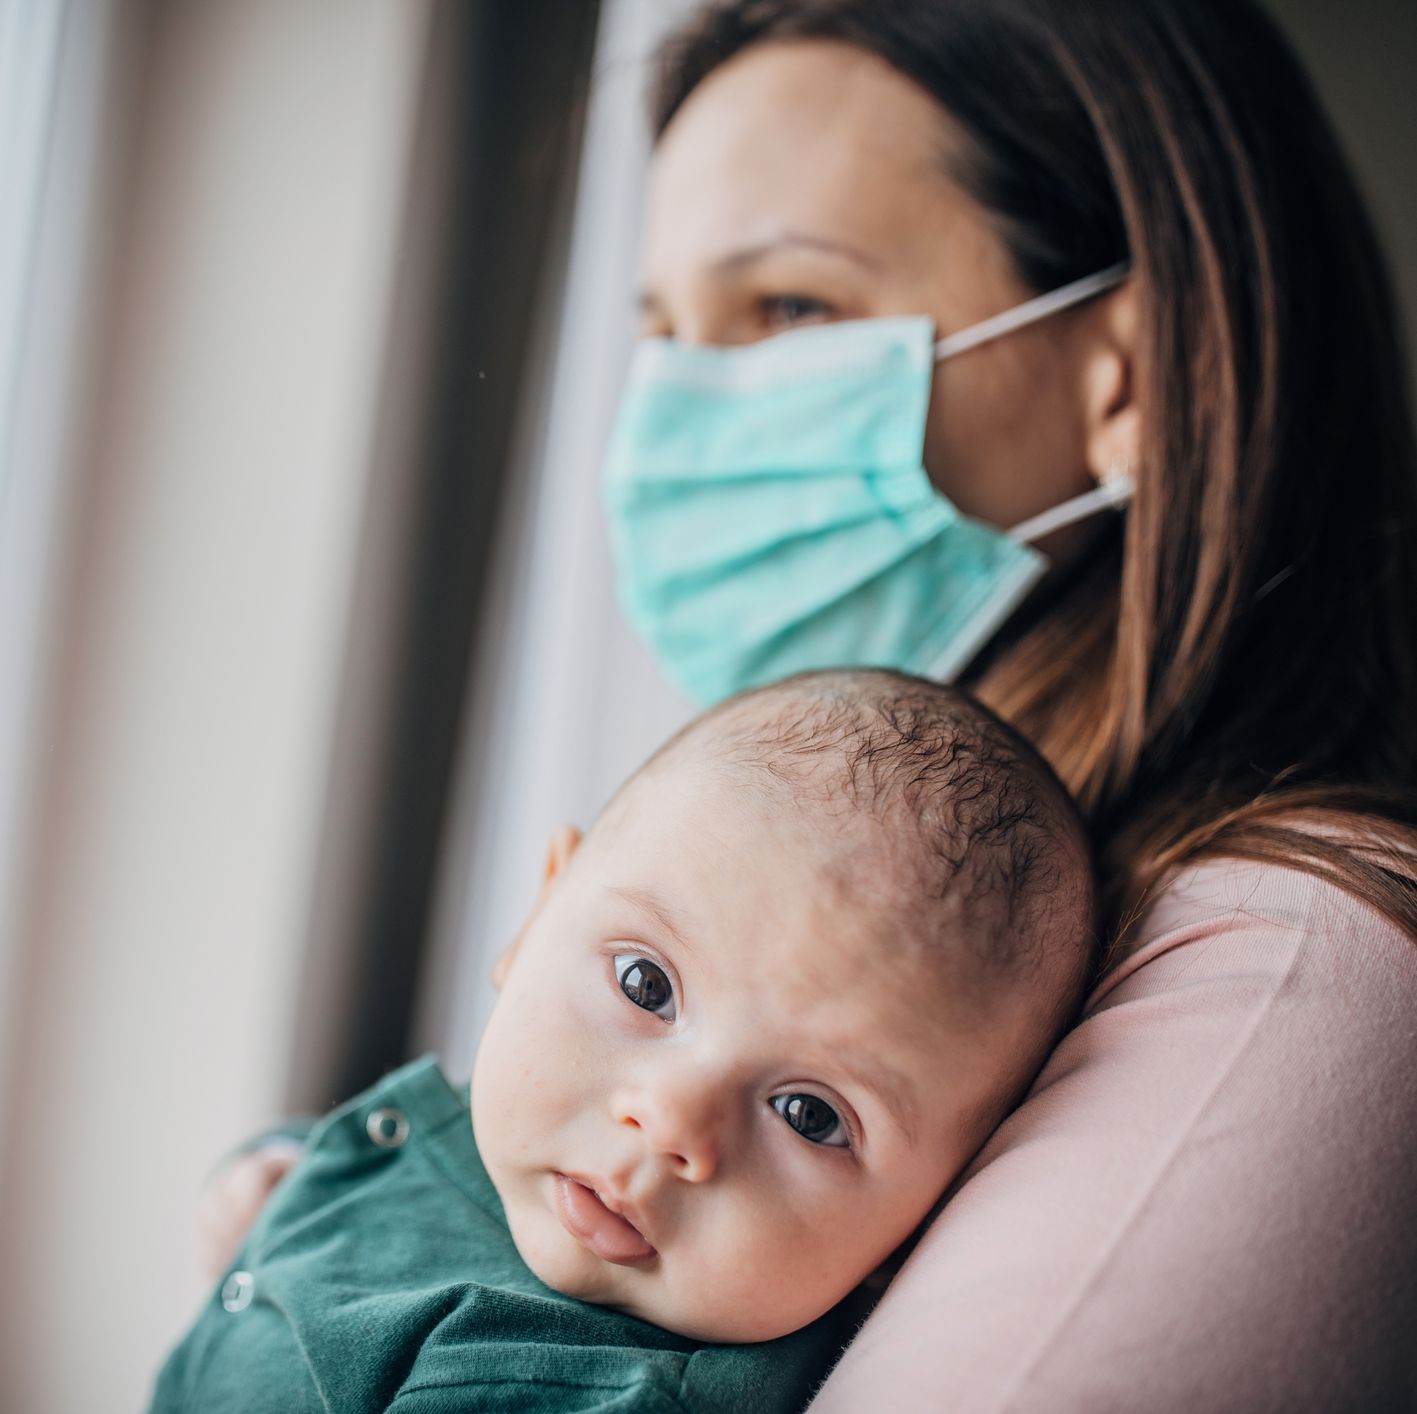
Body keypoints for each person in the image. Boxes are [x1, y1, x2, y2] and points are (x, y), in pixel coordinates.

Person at [602, 1, 1417, 1408]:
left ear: (1130, 379)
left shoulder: (1294, 950)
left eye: (790, 309)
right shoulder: (797, 877)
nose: (673, 428)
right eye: (670, 332)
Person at [157, 670, 1096, 1411]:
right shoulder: (485, 1138)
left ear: (923, 1227)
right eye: (646, 985)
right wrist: (275, 1179)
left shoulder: (593, 1388)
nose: (669, 1120)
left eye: (808, 1114)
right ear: (536, 917)